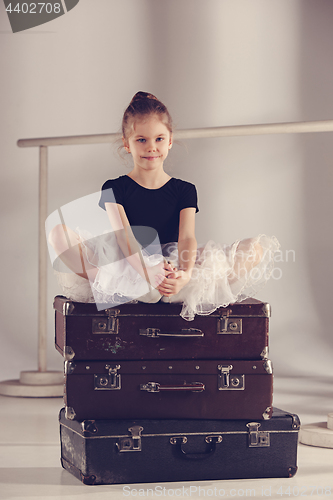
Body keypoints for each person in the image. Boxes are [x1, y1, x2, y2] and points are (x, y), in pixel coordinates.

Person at [49, 91, 280, 320]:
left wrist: (186, 274)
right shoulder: (115, 187)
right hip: (131, 262)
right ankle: (136, 287)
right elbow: (124, 236)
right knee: (58, 235)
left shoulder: (185, 190)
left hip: (173, 262)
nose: (151, 147)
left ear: (169, 141)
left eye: (159, 139)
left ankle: (178, 289)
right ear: (127, 144)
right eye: (141, 140)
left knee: (255, 249)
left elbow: (187, 238)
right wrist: (146, 271)